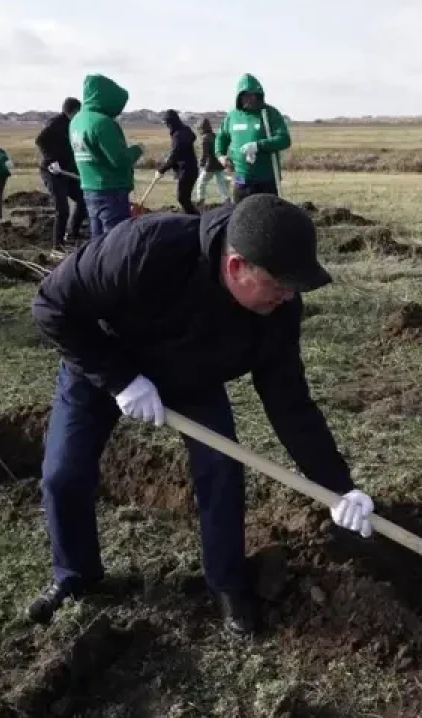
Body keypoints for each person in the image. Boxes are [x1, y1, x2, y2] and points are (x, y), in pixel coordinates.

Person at [27, 194, 375, 632]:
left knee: (221, 470)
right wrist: (120, 379)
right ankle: (75, 575)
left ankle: (227, 584)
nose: (289, 295)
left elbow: (290, 403)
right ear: (236, 267)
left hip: (192, 377)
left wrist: (338, 487)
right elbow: (50, 307)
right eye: (281, 282)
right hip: (104, 360)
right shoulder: (144, 248)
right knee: (64, 473)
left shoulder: (278, 312)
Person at [70, 73, 144, 238]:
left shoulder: (77, 121)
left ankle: (96, 264)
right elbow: (120, 160)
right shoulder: (103, 123)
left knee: (97, 239)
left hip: (89, 187)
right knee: (115, 241)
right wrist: (137, 149)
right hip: (111, 189)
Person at [216, 74, 290, 202]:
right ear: (239, 97)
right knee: (240, 214)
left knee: (268, 215)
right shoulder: (232, 117)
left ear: (259, 95)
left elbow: (284, 139)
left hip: (266, 179)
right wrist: (221, 155)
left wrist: (258, 145)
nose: (248, 99)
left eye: (252, 95)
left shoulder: (270, 113)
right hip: (241, 178)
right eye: (244, 96)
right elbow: (221, 137)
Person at [36, 97, 88, 248]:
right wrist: (51, 161)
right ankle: (57, 246)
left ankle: (72, 234)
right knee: (63, 209)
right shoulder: (56, 123)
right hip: (53, 171)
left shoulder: (76, 124)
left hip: (68, 171)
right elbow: (40, 140)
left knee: (83, 200)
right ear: (73, 111)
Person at [156, 109, 200, 215]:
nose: (167, 126)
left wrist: (161, 170)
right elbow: (192, 138)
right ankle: (191, 217)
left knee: (182, 198)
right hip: (191, 168)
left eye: (167, 123)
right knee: (185, 198)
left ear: (170, 122)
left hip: (186, 170)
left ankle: (195, 218)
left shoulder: (178, 135)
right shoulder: (185, 130)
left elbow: (174, 156)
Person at [194, 119, 229, 206]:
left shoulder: (204, 139)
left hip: (210, 165)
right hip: (219, 163)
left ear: (201, 129)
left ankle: (201, 200)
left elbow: (204, 154)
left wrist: (201, 164)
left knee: (201, 182)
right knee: (221, 183)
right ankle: (226, 200)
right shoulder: (215, 136)